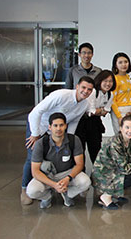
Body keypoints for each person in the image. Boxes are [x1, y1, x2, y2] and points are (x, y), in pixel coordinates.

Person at [21, 76, 94, 205]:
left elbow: (74, 121)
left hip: (59, 130)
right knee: (32, 156)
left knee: (61, 157)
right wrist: (35, 134)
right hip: (39, 126)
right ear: (77, 86)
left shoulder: (85, 104)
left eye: (89, 90)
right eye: (83, 87)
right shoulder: (60, 95)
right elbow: (35, 113)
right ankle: (25, 189)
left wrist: (69, 140)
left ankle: (64, 187)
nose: (85, 91)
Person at [26, 113, 91, 209]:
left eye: (61, 125)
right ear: (49, 127)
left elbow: (79, 164)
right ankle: (47, 196)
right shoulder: (41, 143)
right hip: (47, 175)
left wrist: (68, 178)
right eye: (55, 125)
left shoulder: (74, 140)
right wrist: (54, 185)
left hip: (67, 173)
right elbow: (35, 171)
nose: (58, 129)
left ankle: (67, 194)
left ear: (66, 126)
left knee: (85, 182)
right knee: (32, 191)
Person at [75, 70, 116, 165]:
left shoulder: (110, 94)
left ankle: (97, 175)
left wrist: (99, 111)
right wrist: (100, 110)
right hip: (82, 122)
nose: (108, 84)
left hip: (95, 123)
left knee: (96, 150)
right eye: (105, 81)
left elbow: (106, 111)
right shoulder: (93, 91)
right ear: (100, 80)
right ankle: (81, 172)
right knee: (81, 149)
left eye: (110, 81)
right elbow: (91, 111)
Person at [110, 52, 131, 135]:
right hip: (120, 110)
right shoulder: (114, 79)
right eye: (120, 62)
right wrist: (119, 116)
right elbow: (112, 100)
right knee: (121, 136)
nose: (124, 64)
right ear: (115, 65)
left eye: (126, 62)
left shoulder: (128, 78)